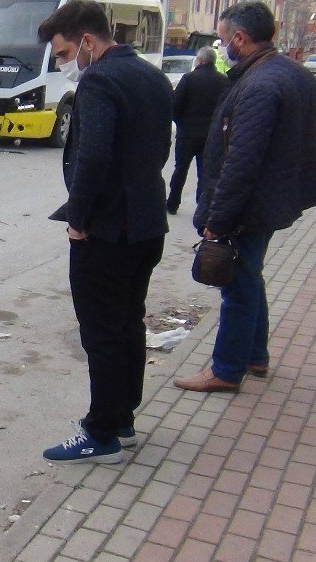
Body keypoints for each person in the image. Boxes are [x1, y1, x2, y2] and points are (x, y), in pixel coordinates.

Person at [37, 0, 173, 464]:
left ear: (88, 42)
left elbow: (92, 157)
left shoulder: (98, 80)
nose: (62, 64)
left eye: (63, 53)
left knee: (100, 332)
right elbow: (159, 148)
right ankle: (123, 420)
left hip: (107, 232)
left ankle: (101, 433)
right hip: (147, 225)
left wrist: (78, 218)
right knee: (128, 322)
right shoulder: (152, 76)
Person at [174, 2, 316, 393]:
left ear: (240, 38)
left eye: (222, 39)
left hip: (251, 204)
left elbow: (241, 162)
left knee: (236, 285)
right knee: (251, 276)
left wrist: (217, 222)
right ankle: (255, 355)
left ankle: (226, 369)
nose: (221, 46)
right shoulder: (291, 73)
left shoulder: (259, 85)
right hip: (275, 198)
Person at [167, 47, 230, 215]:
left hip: (187, 133)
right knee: (205, 171)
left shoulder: (189, 79)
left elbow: (176, 104)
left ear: (200, 61)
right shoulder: (223, 81)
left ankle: (172, 203)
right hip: (210, 135)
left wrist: (180, 122)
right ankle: (202, 206)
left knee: (180, 169)